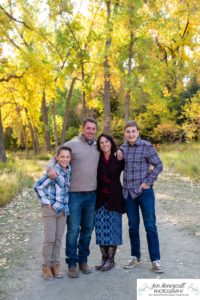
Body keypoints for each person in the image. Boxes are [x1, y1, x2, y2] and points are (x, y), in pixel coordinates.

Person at [47, 117, 99, 278]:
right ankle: (71, 263)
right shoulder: (72, 144)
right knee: (73, 230)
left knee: (88, 229)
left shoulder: (98, 146)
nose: (91, 131)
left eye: (93, 128)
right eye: (88, 128)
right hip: (74, 195)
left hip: (92, 194)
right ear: (82, 129)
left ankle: (83, 260)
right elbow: (55, 156)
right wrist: (50, 168)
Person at [120, 121, 164, 273]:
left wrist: (148, 182)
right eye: (128, 132)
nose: (131, 134)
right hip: (129, 194)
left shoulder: (146, 146)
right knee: (133, 226)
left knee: (150, 225)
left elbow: (159, 165)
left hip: (145, 192)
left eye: (133, 131)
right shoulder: (122, 148)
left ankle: (156, 260)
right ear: (124, 133)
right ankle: (135, 255)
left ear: (138, 131)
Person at [34, 145, 72, 280]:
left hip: (62, 210)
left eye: (67, 157)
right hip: (50, 210)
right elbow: (38, 186)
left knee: (58, 239)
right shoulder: (53, 171)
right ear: (57, 157)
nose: (65, 159)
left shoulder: (69, 170)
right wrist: (46, 202)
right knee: (49, 239)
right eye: (62, 157)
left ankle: (55, 265)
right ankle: (45, 266)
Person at [95, 134, 125, 271]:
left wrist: (122, 150)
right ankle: (104, 258)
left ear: (111, 143)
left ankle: (111, 260)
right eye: (101, 142)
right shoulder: (96, 158)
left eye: (106, 141)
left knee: (113, 229)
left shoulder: (118, 157)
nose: (104, 144)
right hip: (100, 198)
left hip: (115, 197)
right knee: (101, 229)